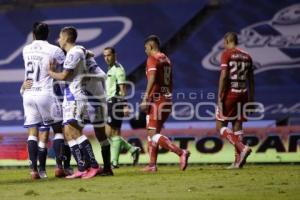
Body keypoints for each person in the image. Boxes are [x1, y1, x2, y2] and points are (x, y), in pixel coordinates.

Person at [48, 26, 100, 179]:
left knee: (75, 132)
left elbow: (64, 76)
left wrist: (50, 72)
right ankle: (82, 167)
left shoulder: (74, 53)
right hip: (69, 96)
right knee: (67, 132)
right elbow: (87, 51)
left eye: (60, 37)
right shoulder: (78, 50)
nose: (58, 40)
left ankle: (95, 166)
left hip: (75, 96)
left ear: (65, 38)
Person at [21, 22, 71, 179]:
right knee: (57, 129)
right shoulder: (54, 50)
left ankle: (34, 170)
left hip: (28, 92)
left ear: (33, 34)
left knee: (33, 133)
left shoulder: (25, 49)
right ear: (48, 34)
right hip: (45, 93)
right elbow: (66, 63)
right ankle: (58, 167)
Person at [140, 35, 190, 172]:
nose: (145, 51)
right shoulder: (166, 59)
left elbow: (152, 78)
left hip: (157, 99)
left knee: (152, 134)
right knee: (154, 132)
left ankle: (181, 152)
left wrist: (145, 98)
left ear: (150, 46)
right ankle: (152, 165)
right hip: (167, 98)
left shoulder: (152, 58)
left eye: (145, 48)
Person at [216, 32, 254, 169]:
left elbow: (224, 75)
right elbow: (251, 80)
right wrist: (251, 99)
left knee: (220, 125)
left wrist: (220, 95)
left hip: (230, 93)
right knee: (237, 125)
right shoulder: (247, 56)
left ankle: (242, 148)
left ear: (227, 40)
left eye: (224, 42)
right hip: (243, 94)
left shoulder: (227, 54)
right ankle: (238, 161)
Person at [103, 47, 141, 168]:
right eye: (104, 56)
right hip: (111, 103)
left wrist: (125, 105)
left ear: (115, 55)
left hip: (116, 103)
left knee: (112, 133)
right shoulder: (111, 69)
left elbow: (123, 89)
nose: (106, 58)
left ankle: (115, 162)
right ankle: (132, 150)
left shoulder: (118, 70)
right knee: (111, 133)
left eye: (109, 55)